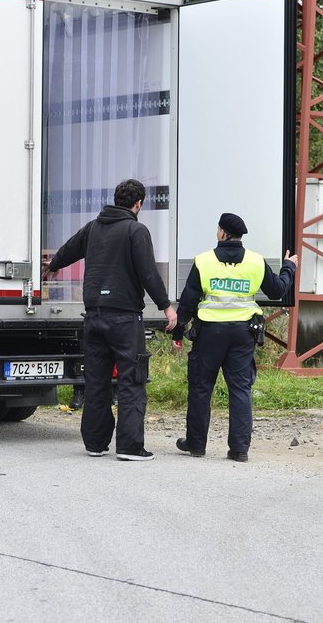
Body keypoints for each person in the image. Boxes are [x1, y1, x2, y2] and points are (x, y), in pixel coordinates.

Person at [44, 179, 177, 461]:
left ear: (116, 199)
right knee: (131, 380)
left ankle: (95, 443)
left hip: (94, 317)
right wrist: (167, 307)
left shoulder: (94, 227)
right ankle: (130, 447)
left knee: (96, 381)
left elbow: (69, 249)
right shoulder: (136, 230)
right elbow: (148, 273)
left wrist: (53, 267)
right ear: (138, 204)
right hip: (125, 319)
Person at [171, 213, 297, 462]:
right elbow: (278, 290)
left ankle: (196, 444)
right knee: (240, 389)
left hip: (209, 334)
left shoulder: (204, 261)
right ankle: (239, 449)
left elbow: (187, 301)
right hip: (242, 334)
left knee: (200, 388)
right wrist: (288, 267)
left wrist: (177, 332)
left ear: (222, 233)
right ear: (239, 236)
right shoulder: (255, 261)